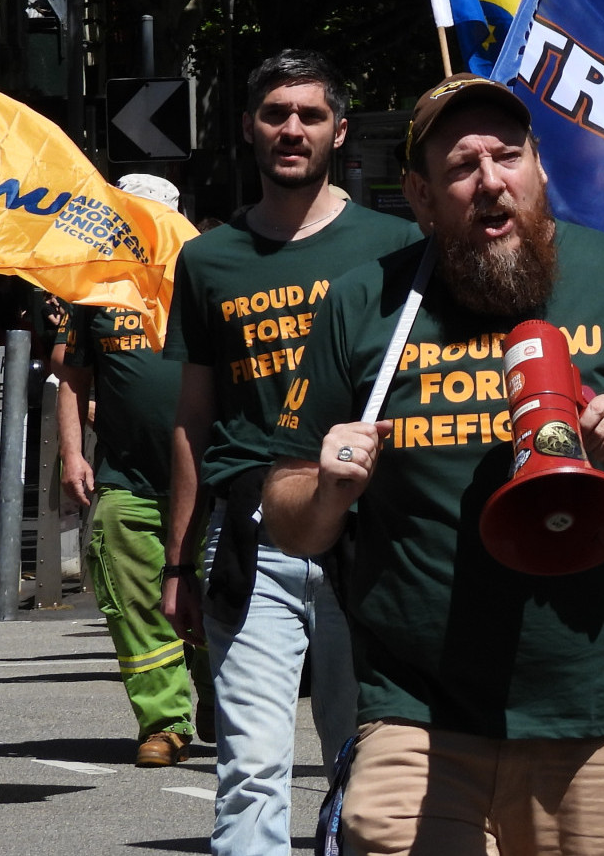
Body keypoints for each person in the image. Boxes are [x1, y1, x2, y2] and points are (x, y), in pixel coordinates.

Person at [262, 74, 604, 856]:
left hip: (597, 714)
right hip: (418, 714)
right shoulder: (367, 304)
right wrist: (327, 488)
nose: (491, 180)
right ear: (422, 197)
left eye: (508, 156)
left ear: (541, 171)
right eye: (462, 166)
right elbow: (288, 514)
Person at [162, 50, 423, 856]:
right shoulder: (208, 258)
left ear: (339, 130)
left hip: (365, 532)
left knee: (364, 760)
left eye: (310, 115)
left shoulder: (399, 247)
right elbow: (192, 419)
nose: (292, 128)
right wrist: (178, 564)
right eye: (276, 113)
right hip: (251, 536)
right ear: (249, 127)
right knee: (250, 764)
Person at [56, 173, 207, 766]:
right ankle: (164, 722)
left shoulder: (205, 277)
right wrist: (72, 453)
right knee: (133, 599)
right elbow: (72, 378)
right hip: (128, 480)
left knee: (220, 599)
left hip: (209, 478)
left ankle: (226, 700)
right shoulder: (92, 286)